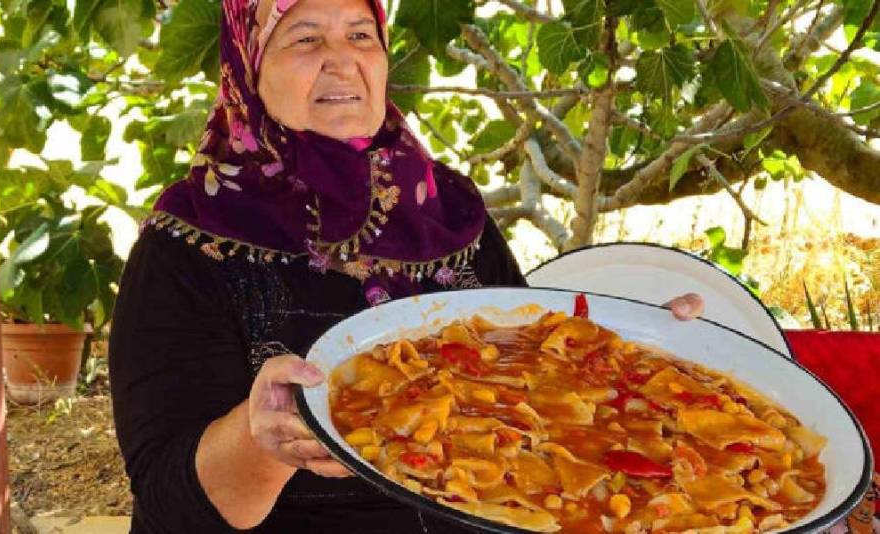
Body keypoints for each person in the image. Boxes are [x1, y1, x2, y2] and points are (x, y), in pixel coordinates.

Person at [107, 0, 705, 532]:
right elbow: (167, 504)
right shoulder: (188, 244)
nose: (342, 59)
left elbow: (542, 381)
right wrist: (261, 442)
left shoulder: (448, 209)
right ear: (249, 63)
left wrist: (637, 358)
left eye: (362, 34)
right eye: (306, 38)